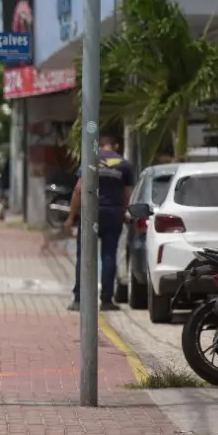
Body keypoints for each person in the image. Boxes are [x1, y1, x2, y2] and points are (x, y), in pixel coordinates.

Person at [64, 133, 134, 311]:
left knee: (85, 256)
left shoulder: (91, 159)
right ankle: (107, 300)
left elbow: (79, 189)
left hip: (90, 213)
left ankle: (79, 299)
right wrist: (123, 212)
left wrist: (71, 217)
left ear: (100, 145)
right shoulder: (124, 165)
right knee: (109, 255)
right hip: (113, 213)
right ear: (115, 146)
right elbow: (127, 194)